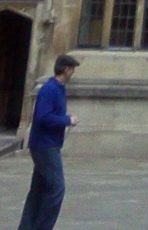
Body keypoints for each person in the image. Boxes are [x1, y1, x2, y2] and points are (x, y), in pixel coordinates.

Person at [18, 54, 79, 230]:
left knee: (38, 191)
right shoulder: (50, 89)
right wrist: (68, 120)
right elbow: (43, 117)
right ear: (66, 69)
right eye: (72, 69)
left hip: (48, 144)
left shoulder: (59, 88)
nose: (73, 72)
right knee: (56, 189)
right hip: (45, 146)